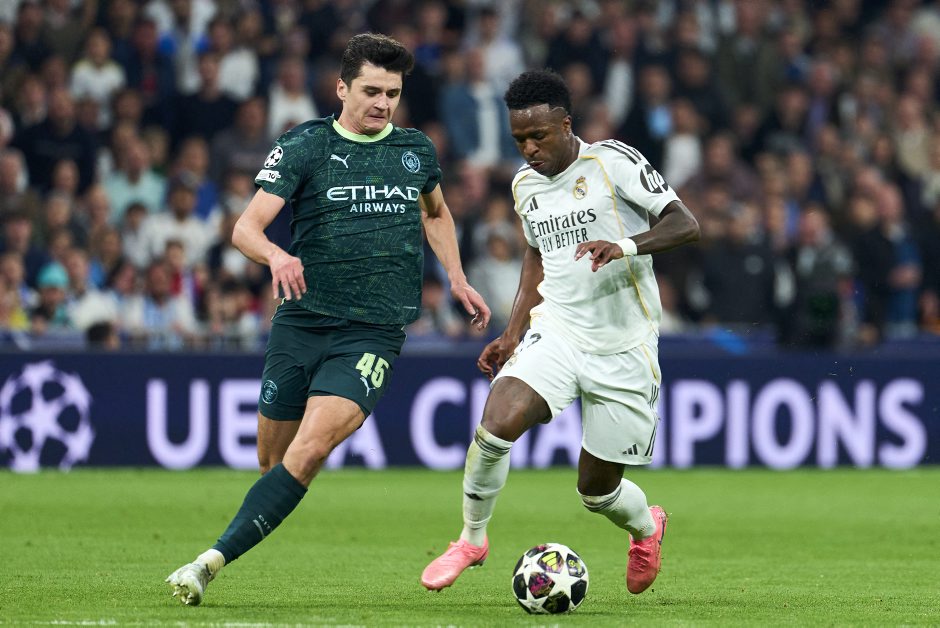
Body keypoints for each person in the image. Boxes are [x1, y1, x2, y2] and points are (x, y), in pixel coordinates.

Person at [165, 33, 490, 606]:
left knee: (310, 451)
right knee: (275, 465)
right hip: (302, 322)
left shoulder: (415, 150)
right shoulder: (306, 145)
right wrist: (277, 256)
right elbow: (245, 228)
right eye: (371, 91)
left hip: (373, 332)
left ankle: (206, 564)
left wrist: (457, 277)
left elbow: (436, 213)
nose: (383, 103)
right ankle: (241, 532)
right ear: (342, 88)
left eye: (392, 93)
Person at [420, 69, 699, 595]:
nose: (529, 149)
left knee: (597, 491)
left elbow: (686, 223)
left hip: (624, 344)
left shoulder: (612, 162)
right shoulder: (524, 185)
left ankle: (647, 527)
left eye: (538, 136)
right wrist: (512, 332)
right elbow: (537, 253)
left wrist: (624, 246)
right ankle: (471, 540)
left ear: (566, 125)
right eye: (519, 139)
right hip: (559, 329)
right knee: (497, 423)